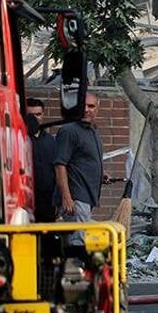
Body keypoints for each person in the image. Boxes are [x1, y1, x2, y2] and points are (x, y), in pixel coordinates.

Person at [54, 91, 105, 223]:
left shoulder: (93, 131)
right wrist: (66, 197)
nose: (86, 110)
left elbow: (83, 160)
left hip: (87, 198)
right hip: (76, 199)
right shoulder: (69, 131)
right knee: (79, 236)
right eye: (83, 106)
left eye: (91, 106)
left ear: (97, 108)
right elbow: (60, 165)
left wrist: (101, 174)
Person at [26, 98, 58, 223]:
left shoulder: (51, 141)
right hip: (26, 200)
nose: (35, 118)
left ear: (43, 115)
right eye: (31, 115)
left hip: (47, 201)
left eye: (38, 114)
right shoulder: (20, 139)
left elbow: (57, 169)